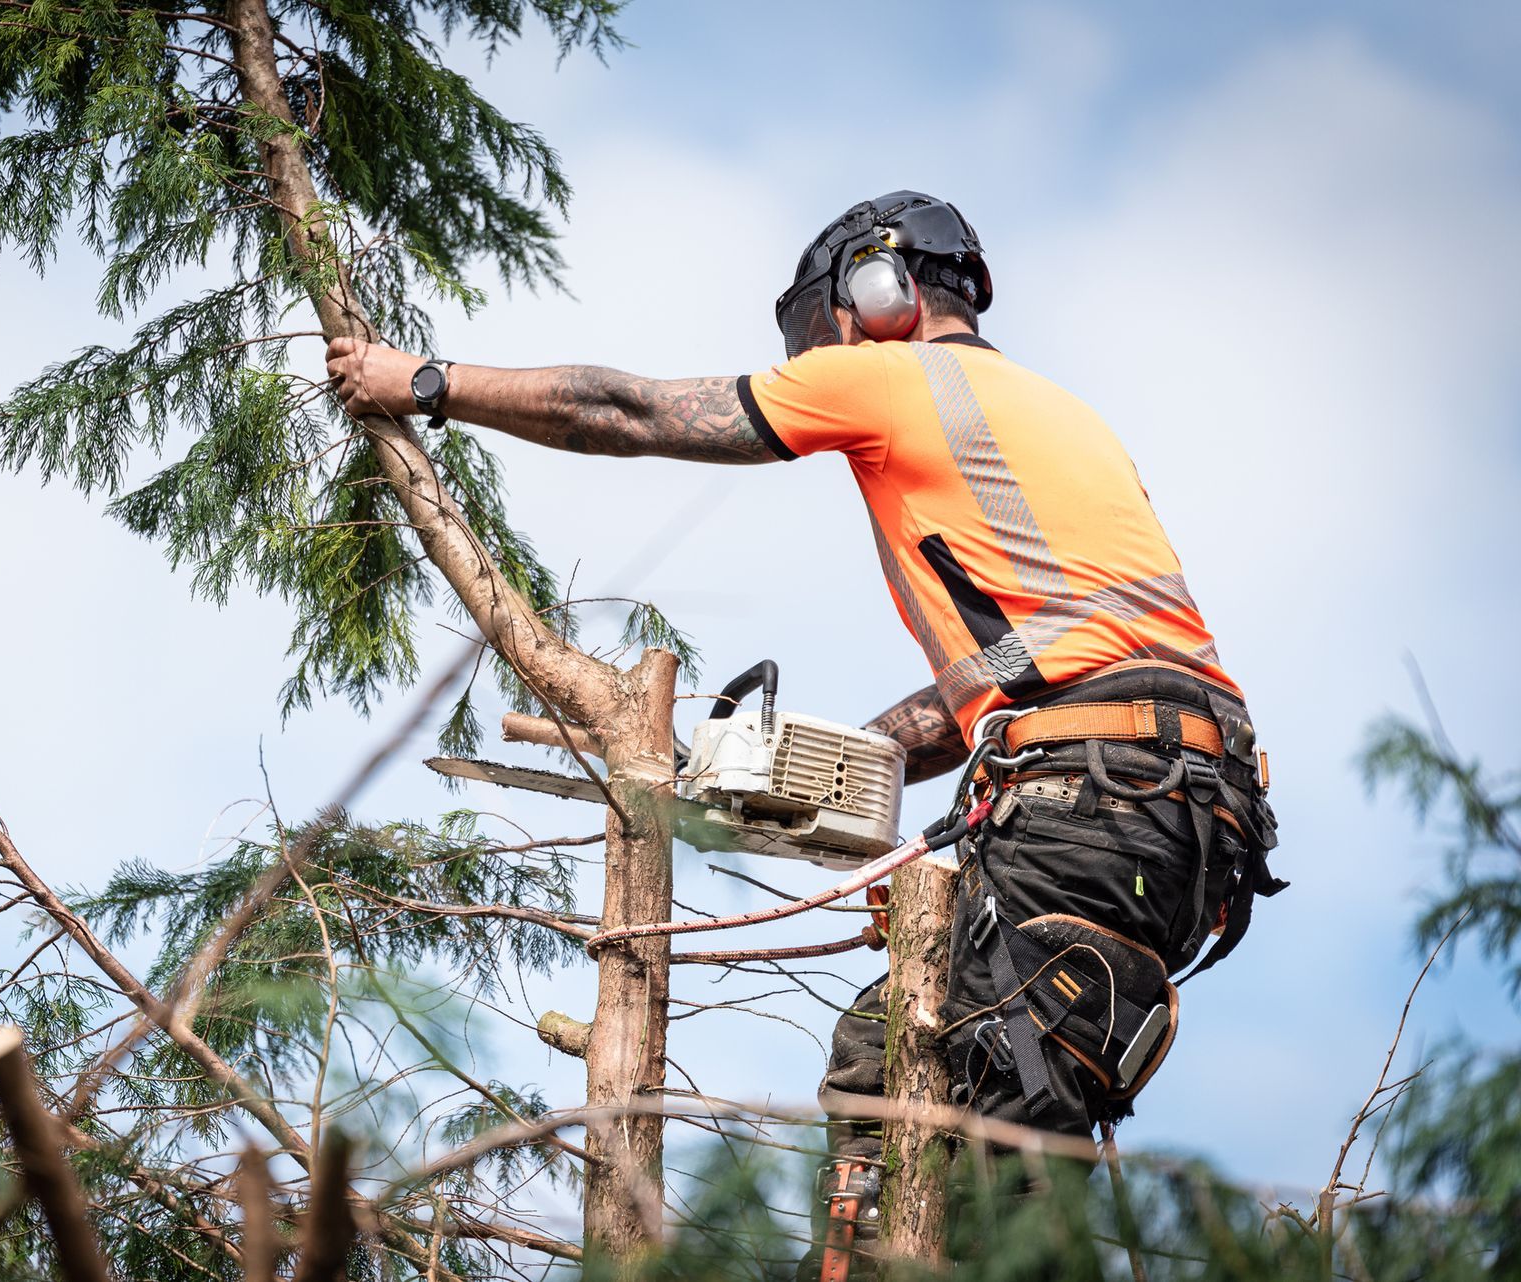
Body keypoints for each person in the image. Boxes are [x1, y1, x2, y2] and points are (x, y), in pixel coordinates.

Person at [327, 191, 1282, 1276]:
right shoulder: (1055, 426)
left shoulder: (890, 373)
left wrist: (428, 384)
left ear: (879, 296)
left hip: (1095, 791)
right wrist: (812, 768)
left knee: (907, 1073)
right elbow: (1025, 672)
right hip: (1182, 808)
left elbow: (626, 409)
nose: (818, 357)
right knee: (984, 1076)